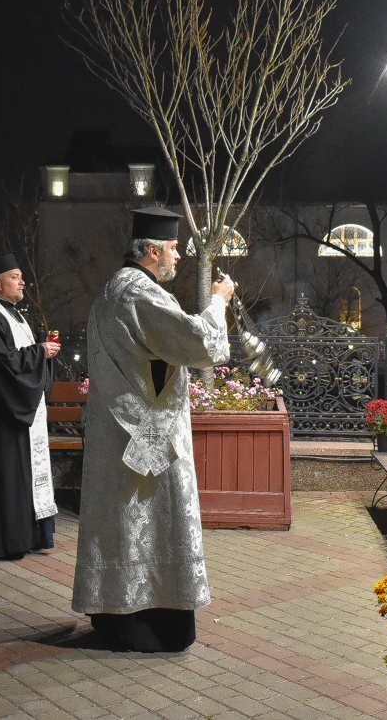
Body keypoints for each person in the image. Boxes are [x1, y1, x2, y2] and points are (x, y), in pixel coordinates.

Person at [71, 207, 234, 652]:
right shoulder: (140, 293)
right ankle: (152, 624)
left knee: (119, 523)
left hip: (114, 432)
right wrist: (218, 300)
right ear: (151, 251)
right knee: (148, 520)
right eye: (173, 248)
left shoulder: (110, 289)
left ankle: (113, 614)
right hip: (147, 434)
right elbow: (199, 344)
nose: (179, 256)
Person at [0, 252, 61, 560]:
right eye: (15, 277)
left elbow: (18, 358)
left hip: (21, 410)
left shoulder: (15, 315)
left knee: (24, 476)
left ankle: (28, 535)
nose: (23, 281)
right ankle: (3, 542)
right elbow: (2, 364)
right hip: (1, 414)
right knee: (6, 476)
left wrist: (41, 354)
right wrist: (39, 352)